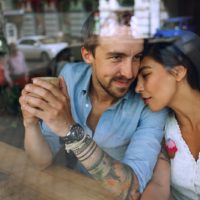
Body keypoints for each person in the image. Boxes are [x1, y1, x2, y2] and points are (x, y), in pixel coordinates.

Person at [19, 11, 168, 199]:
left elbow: (132, 188)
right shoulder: (70, 78)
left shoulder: (149, 100)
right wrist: (30, 124)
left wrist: (69, 129)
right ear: (87, 55)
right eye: (116, 57)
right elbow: (42, 161)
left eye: (136, 57)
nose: (130, 73)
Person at [136, 31, 200, 200]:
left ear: (178, 72)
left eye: (146, 74)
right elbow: (158, 186)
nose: (138, 88)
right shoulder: (162, 127)